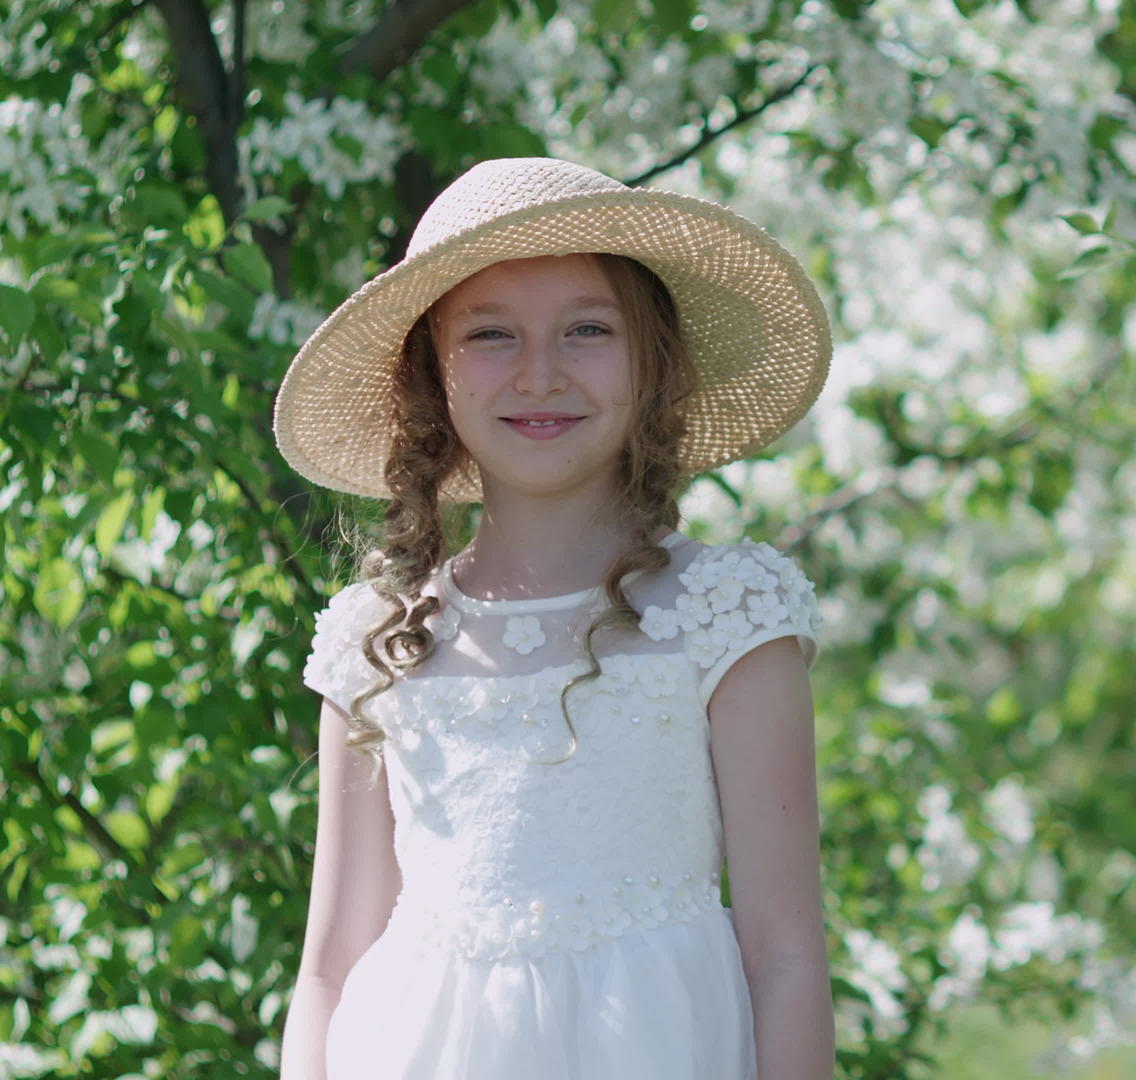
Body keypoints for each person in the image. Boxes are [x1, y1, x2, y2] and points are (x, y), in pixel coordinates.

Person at [269, 157, 837, 1080]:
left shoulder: (727, 617)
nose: (541, 373)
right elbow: (330, 971)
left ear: (653, 359)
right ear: (430, 380)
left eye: (586, 329)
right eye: (491, 334)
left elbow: (785, 957)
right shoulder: (378, 643)